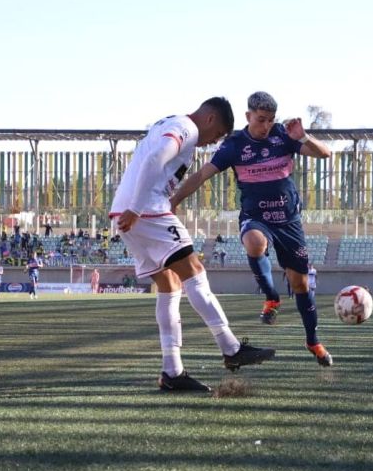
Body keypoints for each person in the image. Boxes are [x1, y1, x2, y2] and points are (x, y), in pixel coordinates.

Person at [111, 96, 275, 391]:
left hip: (127, 211)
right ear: (210, 119)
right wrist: (137, 207)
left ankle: (172, 372)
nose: (210, 142)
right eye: (216, 136)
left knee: (170, 284)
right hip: (145, 209)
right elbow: (155, 157)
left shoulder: (170, 122)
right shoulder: (186, 127)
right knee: (195, 271)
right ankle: (231, 348)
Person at [170, 91, 333, 367]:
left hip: (289, 221)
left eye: (270, 120)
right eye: (261, 120)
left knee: (301, 283)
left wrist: (303, 137)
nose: (266, 125)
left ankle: (313, 341)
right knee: (255, 243)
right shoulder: (235, 145)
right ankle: (271, 297)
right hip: (256, 216)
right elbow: (201, 175)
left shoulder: (283, 136)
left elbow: (325, 154)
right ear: (248, 116)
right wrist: (173, 201)